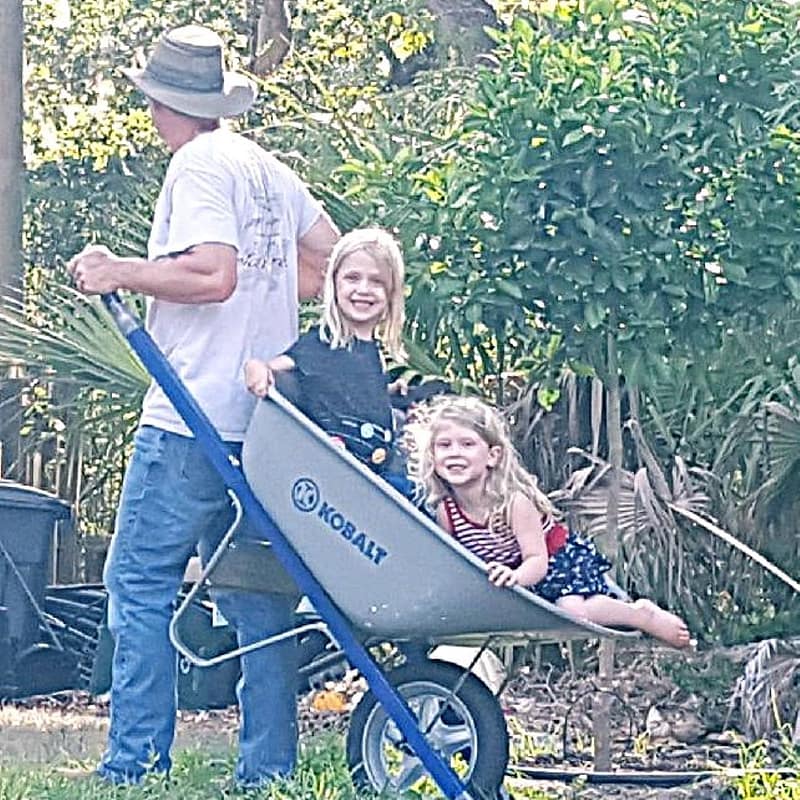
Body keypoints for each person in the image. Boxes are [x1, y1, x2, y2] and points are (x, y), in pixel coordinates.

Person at [67, 25, 339, 787]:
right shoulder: (266, 169)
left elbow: (212, 275)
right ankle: (267, 771)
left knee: (139, 588)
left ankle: (134, 764)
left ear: (162, 103)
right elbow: (333, 259)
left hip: (188, 417)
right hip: (263, 425)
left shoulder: (194, 165)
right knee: (259, 603)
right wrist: (271, 290)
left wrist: (116, 268)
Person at [407, 396, 692, 649]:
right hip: (511, 579)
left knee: (572, 612)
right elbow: (456, 561)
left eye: (467, 444)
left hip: (554, 566)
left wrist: (516, 577)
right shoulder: (448, 511)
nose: (455, 452)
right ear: (432, 456)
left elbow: (536, 560)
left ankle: (638, 613)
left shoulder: (513, 503)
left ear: (493, 456)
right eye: (444, 445)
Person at [244, 227, 409, 477]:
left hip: (376, 476)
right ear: (334, 283)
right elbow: (276, 367)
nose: (363, 289)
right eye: (352, 278)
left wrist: (390, 394)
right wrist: (255, 368)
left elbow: (349, 391)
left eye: (376, 282)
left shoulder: (372, 351)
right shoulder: (322, 342)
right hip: (334, 477)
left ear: (391, 293)